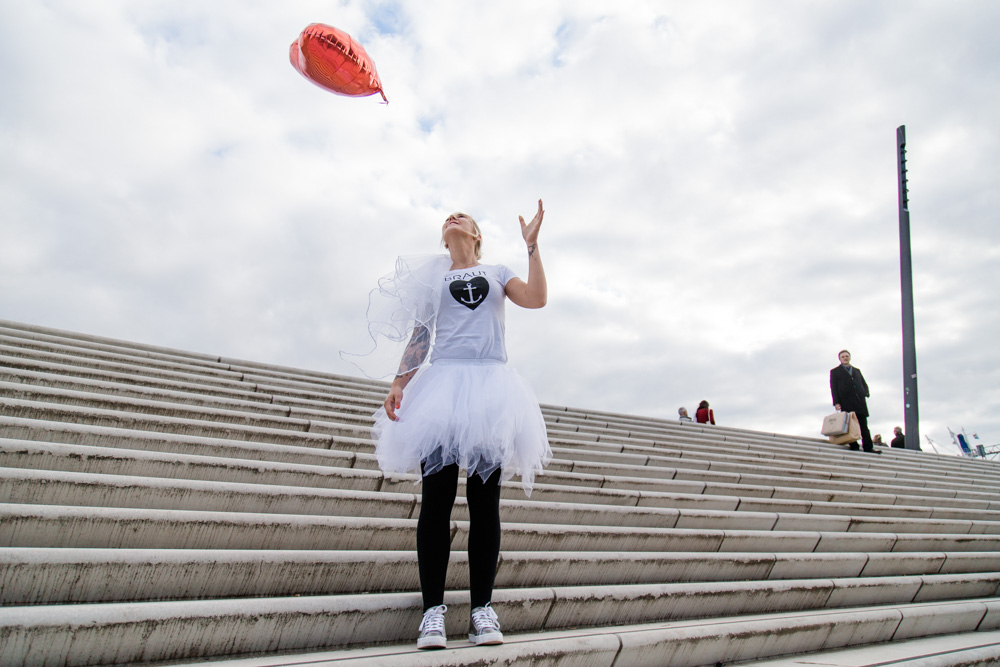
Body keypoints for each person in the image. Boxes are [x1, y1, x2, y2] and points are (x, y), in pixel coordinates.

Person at [368, 201, 552, 650]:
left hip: (490, 386)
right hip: (443, 386)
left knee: (484, 502)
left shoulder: (498, 271)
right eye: (447, 217)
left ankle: (482, 611)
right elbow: (421, 337)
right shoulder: (434, 279)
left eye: (462, 217)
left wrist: (531, 246)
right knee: (436, 500)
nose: (453, 218)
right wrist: (398, 382)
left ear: (476, 236)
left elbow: (536, 298)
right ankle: (432, 612)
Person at [829, 349, 879, 454]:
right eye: (843, 357)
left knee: (864, 425)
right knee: (850, 424)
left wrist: (865, 392)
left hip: (860, 401)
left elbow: (863, 382)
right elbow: (833, 388)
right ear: (840, 359)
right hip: (846, 401)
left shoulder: (856, 370)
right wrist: (836, 402)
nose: (845, 358)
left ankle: (868, 447)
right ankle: (854, 445)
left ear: (849, 357)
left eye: (847, 356)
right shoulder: (835, 372)